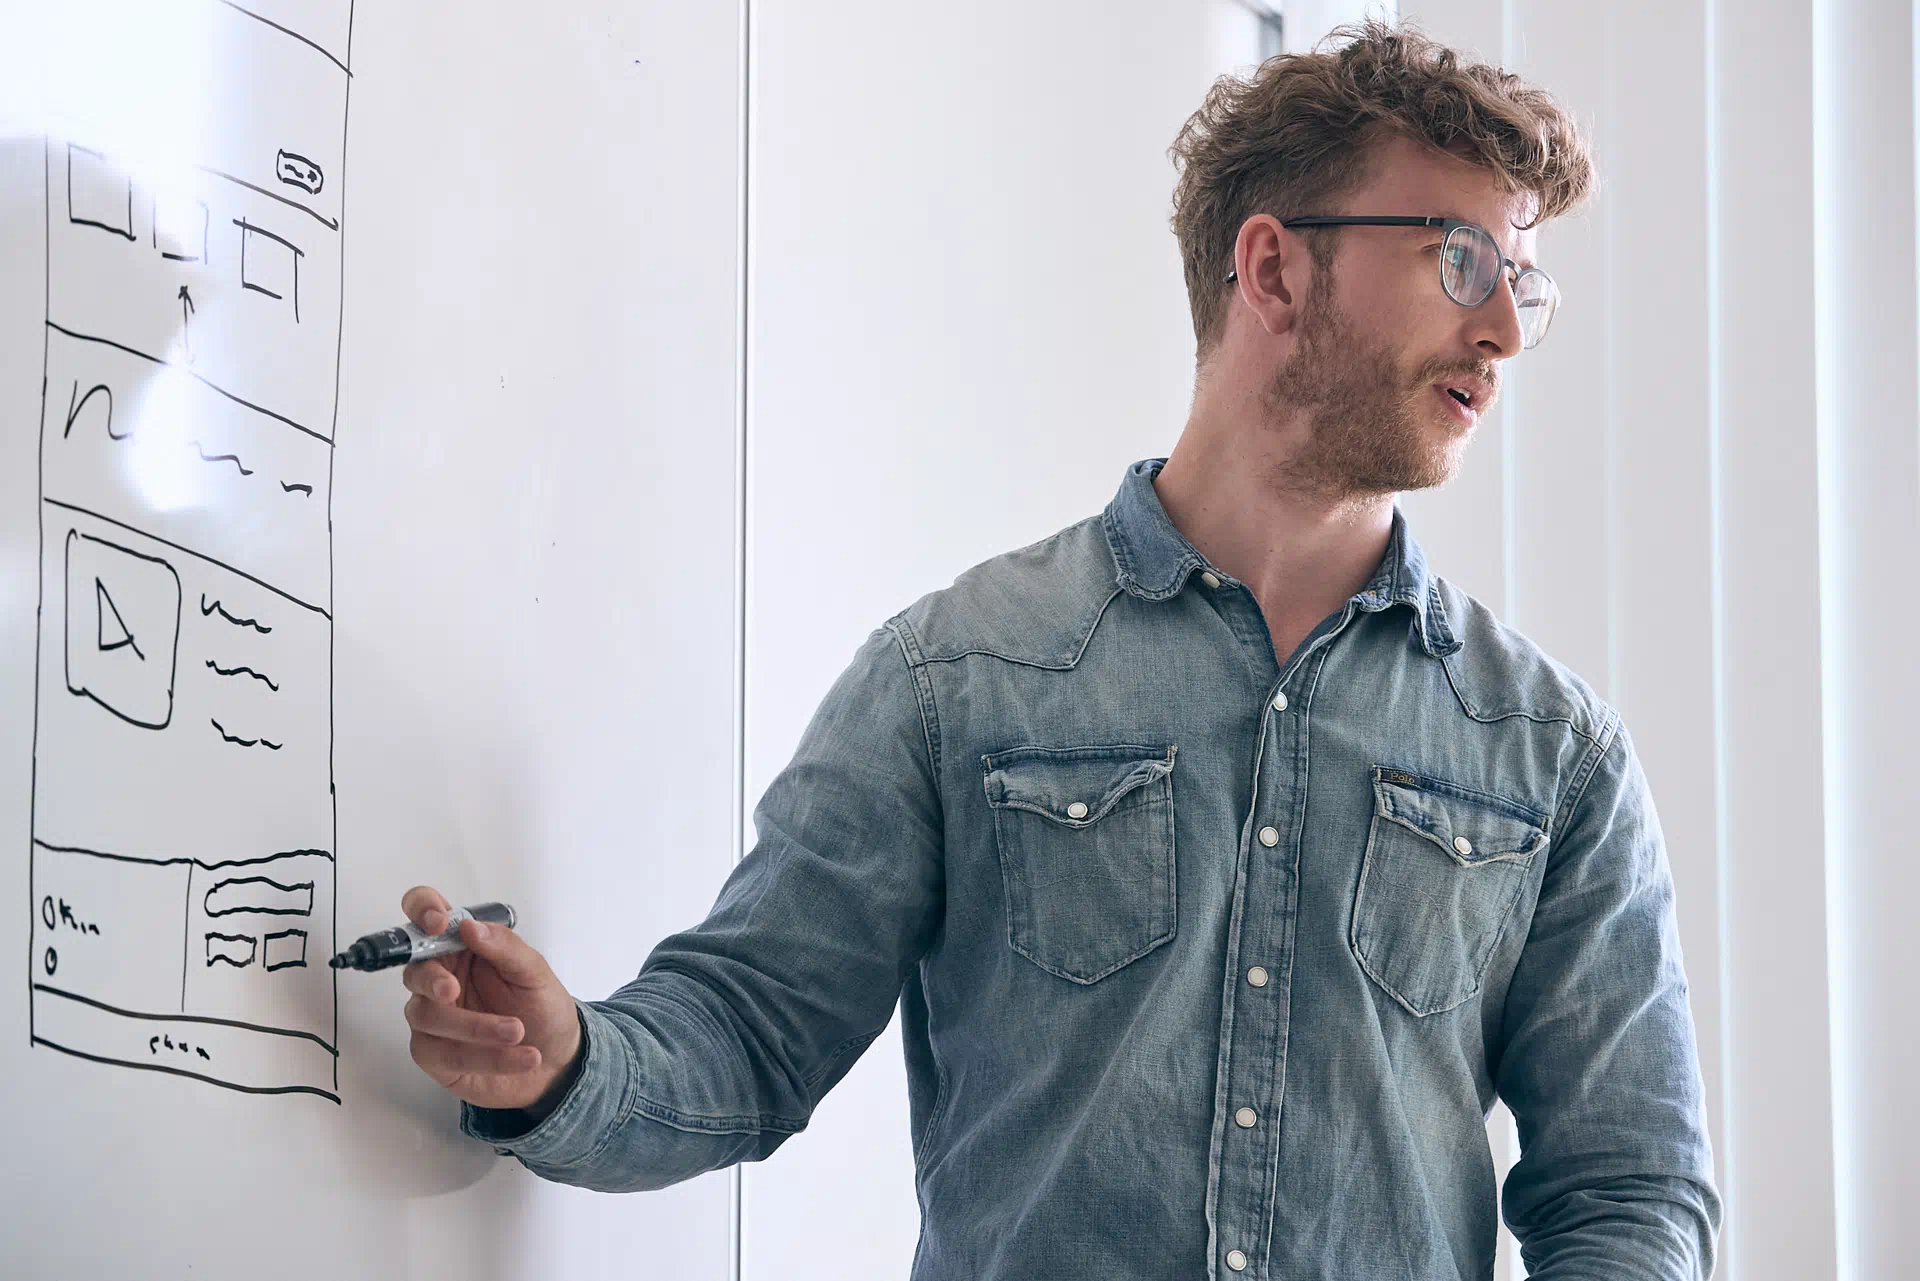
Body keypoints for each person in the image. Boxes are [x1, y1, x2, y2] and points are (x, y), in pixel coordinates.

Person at [395, 17, 1721, 1279]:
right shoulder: (957, 677)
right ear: (1274, 270)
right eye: (1460, 261)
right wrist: (567, 1066)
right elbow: (750, 1030)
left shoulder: (1553, 753)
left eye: (1522, 283)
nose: (1501, 330)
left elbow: (1630, 1189)